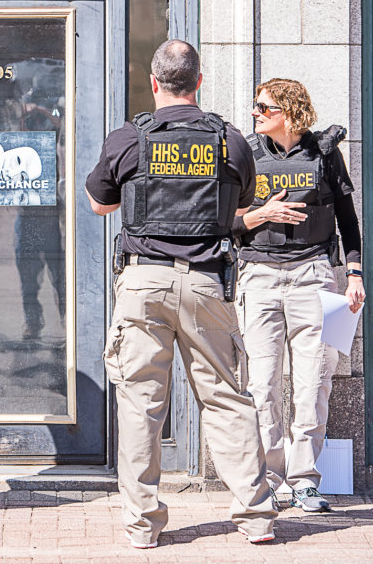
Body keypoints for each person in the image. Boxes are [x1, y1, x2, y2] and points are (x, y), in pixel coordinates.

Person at [86, 39, 276, 548]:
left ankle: (143, 526)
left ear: (154, 83)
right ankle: (256, 516)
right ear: (198, 83)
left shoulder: (130, 138)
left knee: (141, 403)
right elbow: (243, 203)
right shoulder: (230, 140)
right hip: (206, 281)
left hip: (143, 282)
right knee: (227, 398)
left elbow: (98, 203)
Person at [235, 78, 365, 513]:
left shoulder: (325, 154)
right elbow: (224, 220)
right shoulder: (246, 154)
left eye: (263, 106)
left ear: (288, 112)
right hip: (259, 276)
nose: (254, 112)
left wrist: (354, 273)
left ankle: (305, 478)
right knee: (262, 386)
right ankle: (271, 479)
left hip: (314, 277)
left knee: (312, 384)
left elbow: (347, 218)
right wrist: (261, 214)